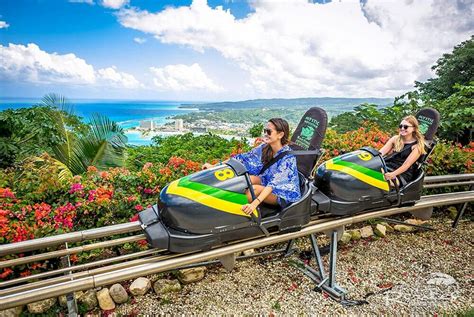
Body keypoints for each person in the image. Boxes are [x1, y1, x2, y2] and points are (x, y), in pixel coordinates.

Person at [202, 118, 301, 215]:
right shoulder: (265, 147)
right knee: (243, 179)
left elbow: (273, 184)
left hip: (283, 191)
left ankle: (224, 209)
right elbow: (242, 158)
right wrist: (214, 166)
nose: (266, 134)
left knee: (254, 190)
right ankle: (215, 197)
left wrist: (254, 204)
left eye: (269, 131)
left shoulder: (288, 158)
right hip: (266, 179)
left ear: (280, 134)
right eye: (265, 131)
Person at [379, 115, 426, 184]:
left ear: (414, 128)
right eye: (401, 126)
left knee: (380, 177)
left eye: (406, 127)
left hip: (401, 173)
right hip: (388, 166)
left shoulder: (417, 146)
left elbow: (406, 165)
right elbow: (380, 153)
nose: (402, 128)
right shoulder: (395, 139)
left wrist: (393, 174)